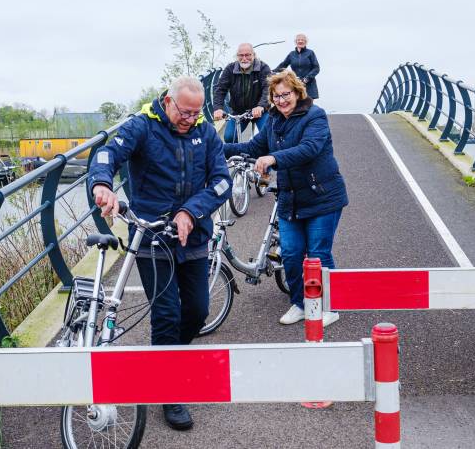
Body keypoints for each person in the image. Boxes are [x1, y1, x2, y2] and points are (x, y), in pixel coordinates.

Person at [89, 76, 231, 432]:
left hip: (193, 237)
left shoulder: (205, 131)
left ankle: (164, 364)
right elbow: (106, 154)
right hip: (151, 238)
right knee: (166, 314)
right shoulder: (143, 126)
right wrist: (103, 184)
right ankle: (170, 390)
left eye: (197, 113)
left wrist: (190, 211)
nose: (191, 119)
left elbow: (222, 180)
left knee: (197, 311)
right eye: (185, 112)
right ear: (168, 101)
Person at [223, 69, 348, 326]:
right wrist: (216, 148)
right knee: (290, 253)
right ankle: (300, 303)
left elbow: (309, 149)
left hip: (322, 197)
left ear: (297, 93)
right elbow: (252, 149)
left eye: (286, 94)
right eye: (276, 96)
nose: (281, 100)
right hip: (290, 198)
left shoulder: (315, 116)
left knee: (318, 253)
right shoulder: (273, 120)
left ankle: (329, 306)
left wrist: (274, 158)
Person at [211, 43, 272, 142]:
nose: (244, 58)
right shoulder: (230, 69)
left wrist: (261, 106)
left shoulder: (263, 68)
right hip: (239, 112)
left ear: (253, 55)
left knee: (268, 134)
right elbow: (220, 89)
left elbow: (268, 88)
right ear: (237, 56)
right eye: (241, 55)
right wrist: (218, 108)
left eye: (248, 55)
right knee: (229, 137)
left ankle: (268, 156)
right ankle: (236, 156)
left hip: (260, 111)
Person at [274, 33, 320, 99]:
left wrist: (307, 78)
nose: (300, 41)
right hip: (296, 83)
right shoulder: (291, 54)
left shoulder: (310, 53)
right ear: (295, 42)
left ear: (306, 42)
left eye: (302, 40)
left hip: (309, 84)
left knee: (308, 107)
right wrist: (272, 71)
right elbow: (283, 65)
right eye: (298, 40)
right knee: (296, 106)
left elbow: (316, 68)